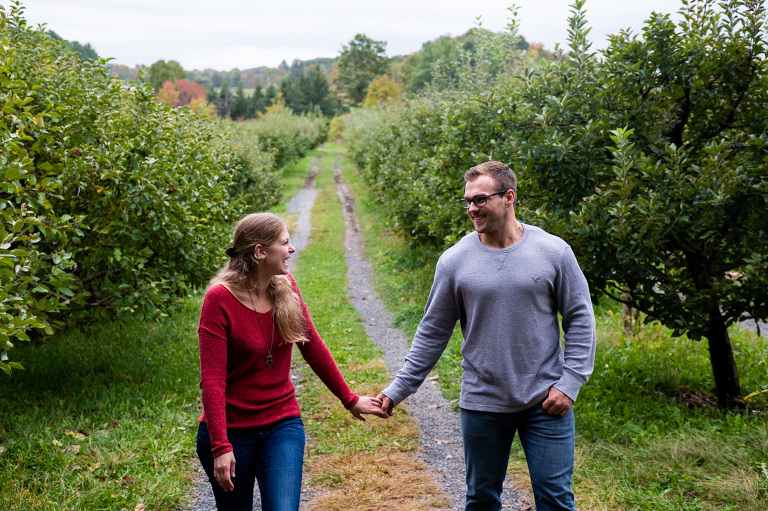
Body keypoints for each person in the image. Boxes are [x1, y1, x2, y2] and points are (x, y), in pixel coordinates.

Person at [376, 161, 596, 511]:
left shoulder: (553, 252)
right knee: (481, 499)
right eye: (467, 202)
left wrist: (570, 383)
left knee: (555, 500)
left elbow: (580, 318)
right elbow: (432, 332)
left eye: (479, 200)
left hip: (546, 401)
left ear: (508, 197)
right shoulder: (455, 261)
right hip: (483, 402)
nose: (471, 209)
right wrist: (397, 389)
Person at [196, 212, 382, 511]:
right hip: (232, 430)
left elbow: (313, 347)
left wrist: (349, 399)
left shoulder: (286, 286)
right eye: (285, 242)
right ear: (260, 251)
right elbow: (212, 380)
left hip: (281, 423)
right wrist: (220, 446)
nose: (292, 248)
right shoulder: (219, 299)